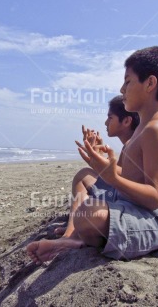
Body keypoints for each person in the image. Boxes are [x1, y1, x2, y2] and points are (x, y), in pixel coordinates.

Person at [27, 46, 158, 264]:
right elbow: (133, 176)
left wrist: (113, 178)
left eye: (128, 81)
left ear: (150, 83)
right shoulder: (143, 128)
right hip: (135, 205)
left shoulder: (157, 130)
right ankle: (71, 236)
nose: (122, 89)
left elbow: (156, 197)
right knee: (85, 177)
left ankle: (76, 241)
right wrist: (101, 164)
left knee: (90, 213)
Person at [54, 95, 139, 236]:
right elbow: (118, 172)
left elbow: (126, 176)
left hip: (127, 201)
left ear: (126, 121)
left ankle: (70, 233)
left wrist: (98, 160)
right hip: (122, 195)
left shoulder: (133, 144)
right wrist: (98, 156)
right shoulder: (129, 145)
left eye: (110, 118)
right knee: (84, 174)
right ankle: (73, 227)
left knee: (83, 175)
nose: (106, 123)